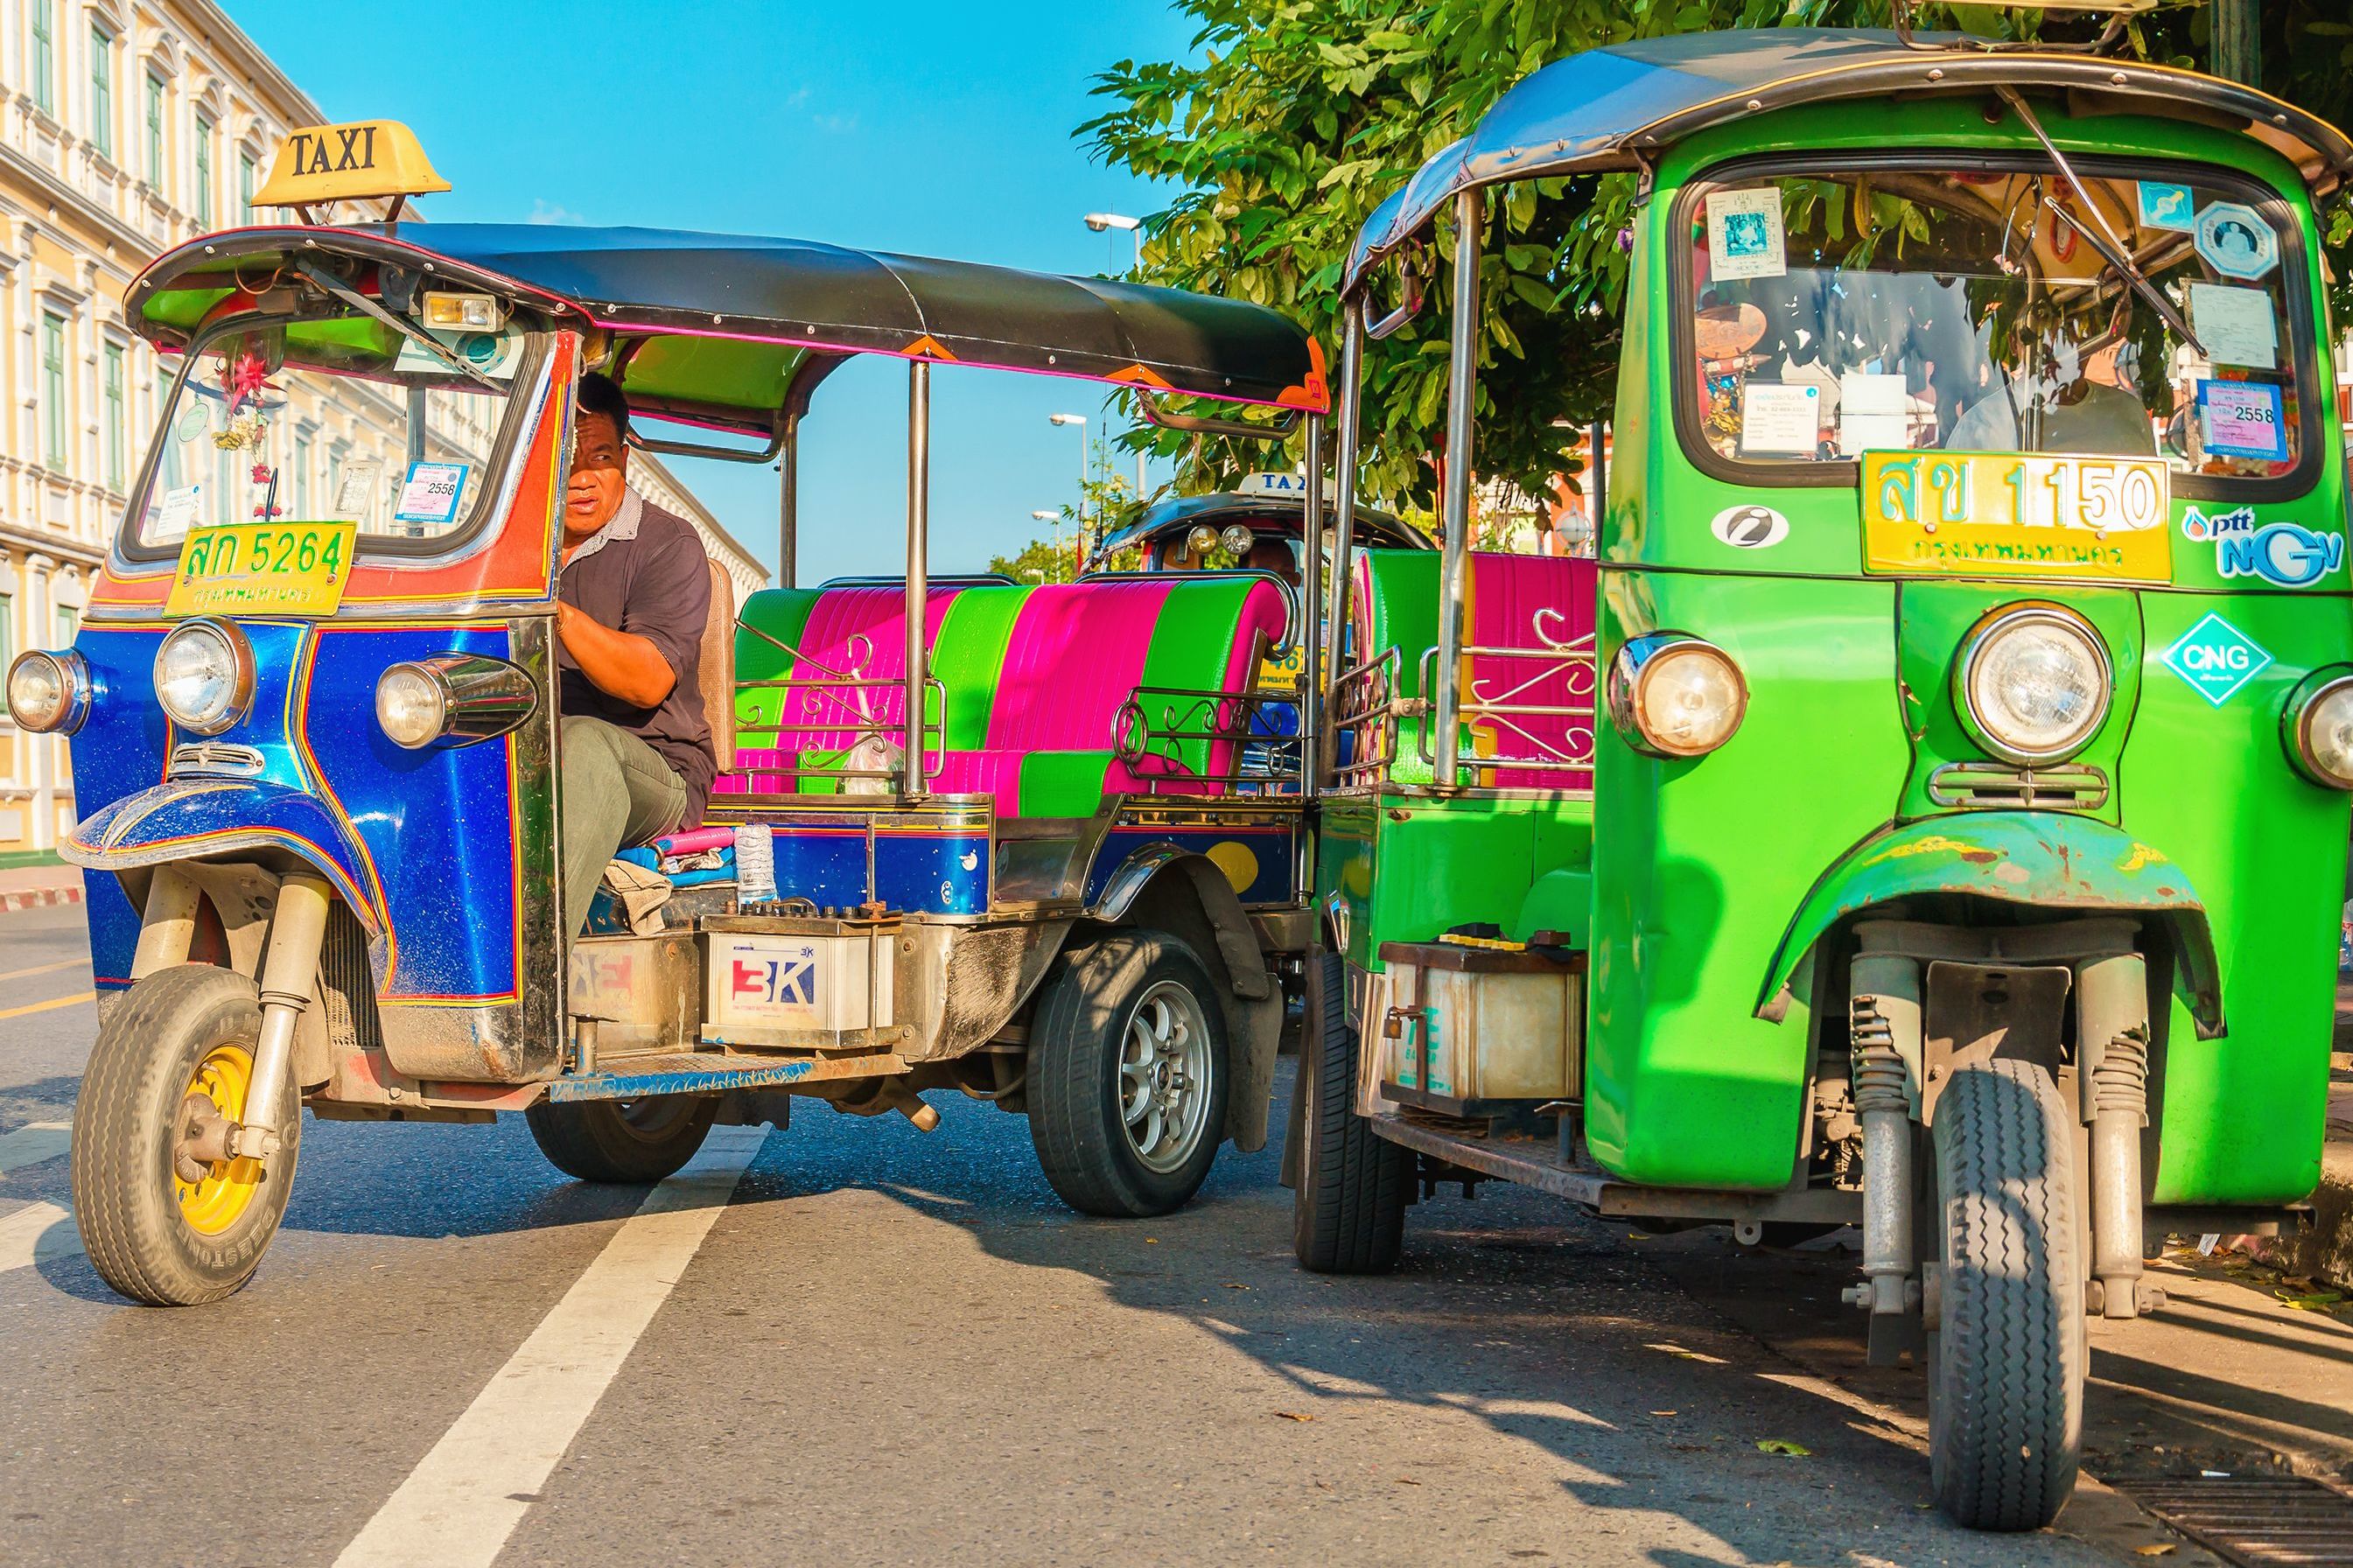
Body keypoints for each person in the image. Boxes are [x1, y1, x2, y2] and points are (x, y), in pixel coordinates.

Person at [556, 372, 717, 941]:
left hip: (657, 770)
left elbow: (646, 682)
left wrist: (553, 611)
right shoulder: (513, 544)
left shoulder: (667, 544)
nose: (581, 476)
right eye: (564, 455)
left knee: (580, 743)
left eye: (599, 456)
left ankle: (530, 982)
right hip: (531, 759)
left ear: (625, 458)